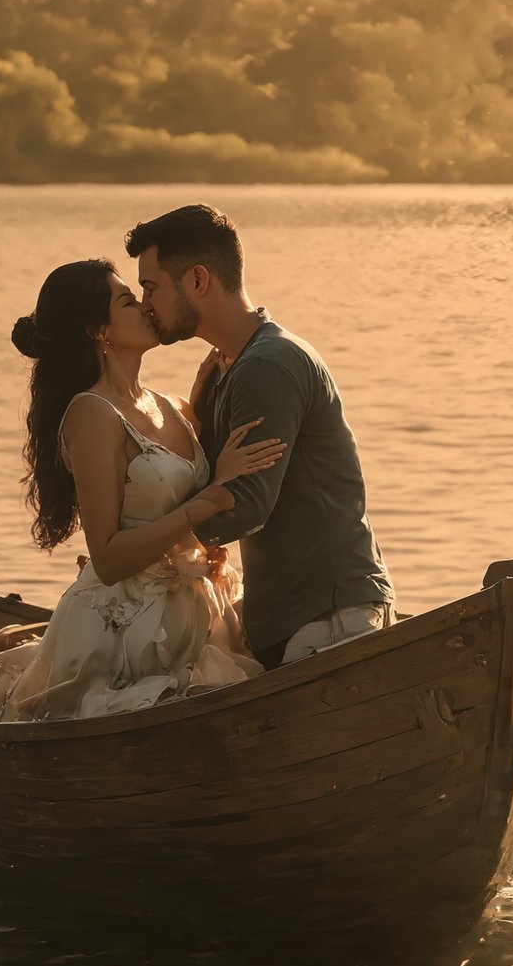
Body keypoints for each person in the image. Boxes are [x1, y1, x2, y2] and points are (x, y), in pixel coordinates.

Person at [0, 259, 275, 722]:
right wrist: (206, 502)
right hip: (125, 630)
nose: (148, 307)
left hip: (194, 613)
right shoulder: (92, 413)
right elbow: (108, 558)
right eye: (129, 301)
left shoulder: (173, 405)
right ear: (97, 329)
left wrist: (205, 413)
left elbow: (189, 501)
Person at [126, 204, 395, 669]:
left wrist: (141, 544)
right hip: (290, 614)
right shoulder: (226, 368)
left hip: (328, 616)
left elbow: (244, 508)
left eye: (151, 287)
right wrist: (196, 415)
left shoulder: (267, 366)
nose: (145, 303)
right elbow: (217, 485)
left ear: (197, 281)